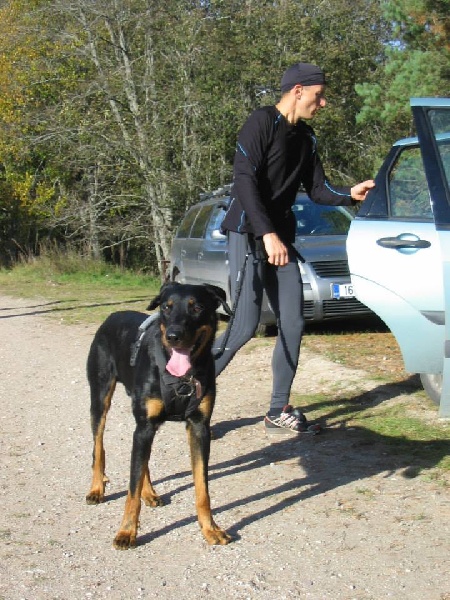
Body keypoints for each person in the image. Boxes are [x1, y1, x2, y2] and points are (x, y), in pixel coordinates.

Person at [213, 61, 375, 435]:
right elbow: (244, 181)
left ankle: (277, 409)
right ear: (298, 90)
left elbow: (318, 189)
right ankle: (189, 392)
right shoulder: (261, 122)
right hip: (247, 233)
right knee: (244, 325)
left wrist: (349, 194)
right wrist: (266, 233)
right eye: (319, 96)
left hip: (280, 239)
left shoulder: (307, 138)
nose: (322, 104)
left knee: (293, 321)